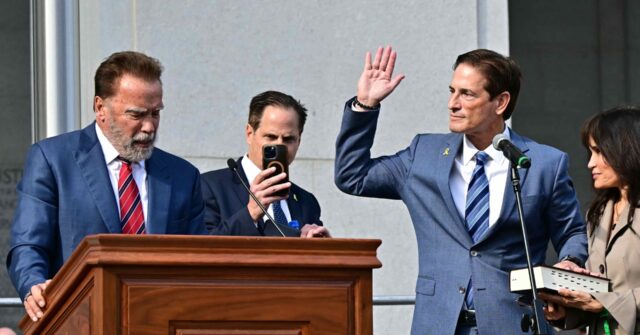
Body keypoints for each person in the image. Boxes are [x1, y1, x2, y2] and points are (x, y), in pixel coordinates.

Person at [334, 46, 588, 334]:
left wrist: (570, 260)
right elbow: (352, 176)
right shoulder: (423, 154)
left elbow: (572, 232)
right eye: (452, 91)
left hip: (516, 324)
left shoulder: (544, 163)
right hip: (438, 324)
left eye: (467, 94)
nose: (453, 103)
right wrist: (365, 106)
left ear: (500, 102)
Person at [6, 51, 206, 322]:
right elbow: (29, 244)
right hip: (79, 319)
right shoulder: (53, 160)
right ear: (100, 108)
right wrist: (35, 286)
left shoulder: (183, 176)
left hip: (160, 321)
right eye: (136, 114)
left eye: (156, 113)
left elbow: (198, 261)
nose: (149, 127)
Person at [539, 106, 640, 335]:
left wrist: (609, 303)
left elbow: (609, 301)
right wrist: (568, 310)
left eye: (598, 152)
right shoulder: (598, 213)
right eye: (589, 153)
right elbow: (600, 295)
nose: (590, 164)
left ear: (626, 149)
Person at [201, 90, 329, 238]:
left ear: (299, 141)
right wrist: (251, 214)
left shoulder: (306, 201)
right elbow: (202, 249)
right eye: (271, 137)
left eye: (288, 139)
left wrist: (321, 244)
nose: (279, 146)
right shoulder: (209, 187)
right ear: (250, 133)